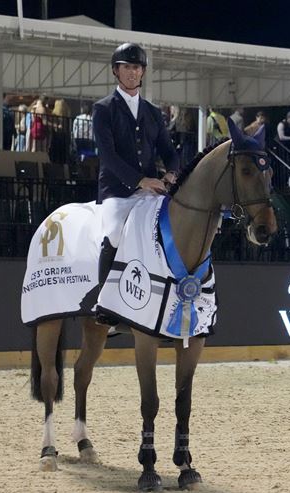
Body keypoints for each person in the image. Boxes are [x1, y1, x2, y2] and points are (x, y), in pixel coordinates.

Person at [92, 42, 180, 302]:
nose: (132, 72)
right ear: (116, 71)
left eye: (137, 67)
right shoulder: (103, 109)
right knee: (116, 231)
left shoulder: (153, 112)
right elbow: (108, 156)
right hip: (116, 191)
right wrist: (140, 180)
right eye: (126, 67)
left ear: (143, 72)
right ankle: (104, 303)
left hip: (152, 190)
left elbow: (169, 151)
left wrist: (171, 173)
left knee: (173, 225)